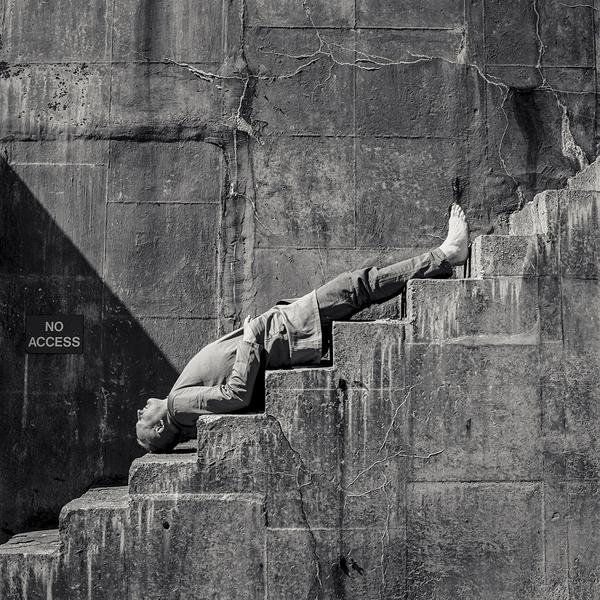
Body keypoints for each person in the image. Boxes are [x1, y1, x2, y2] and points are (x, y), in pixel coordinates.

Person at [136, 204, 469, 453]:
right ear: (162, 426)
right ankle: (446, 255)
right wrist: (251, 336)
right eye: (142, 421)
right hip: (281, 335)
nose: (140, 410)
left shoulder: (181, 406)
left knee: (356, 289)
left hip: (280, 334)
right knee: (357, 287)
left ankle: (444, 256)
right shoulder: (177, 406)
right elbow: (235, 395)